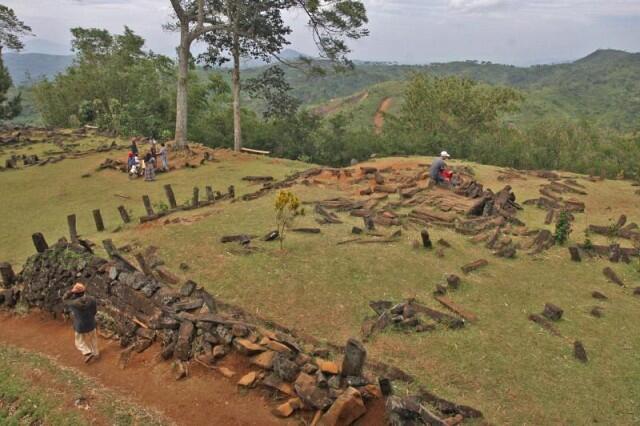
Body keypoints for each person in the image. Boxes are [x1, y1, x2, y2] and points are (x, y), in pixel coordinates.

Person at [63, 283, 99, 364]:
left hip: (80, 325)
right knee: (93, 339)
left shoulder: (73, 303)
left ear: (75, 293)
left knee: (79, 342)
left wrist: (70, 292)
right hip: (91, 323)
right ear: (84, 292)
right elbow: (94, 311)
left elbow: (64, 299)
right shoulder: (92, 299)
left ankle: (87, 352)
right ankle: (96, 353)